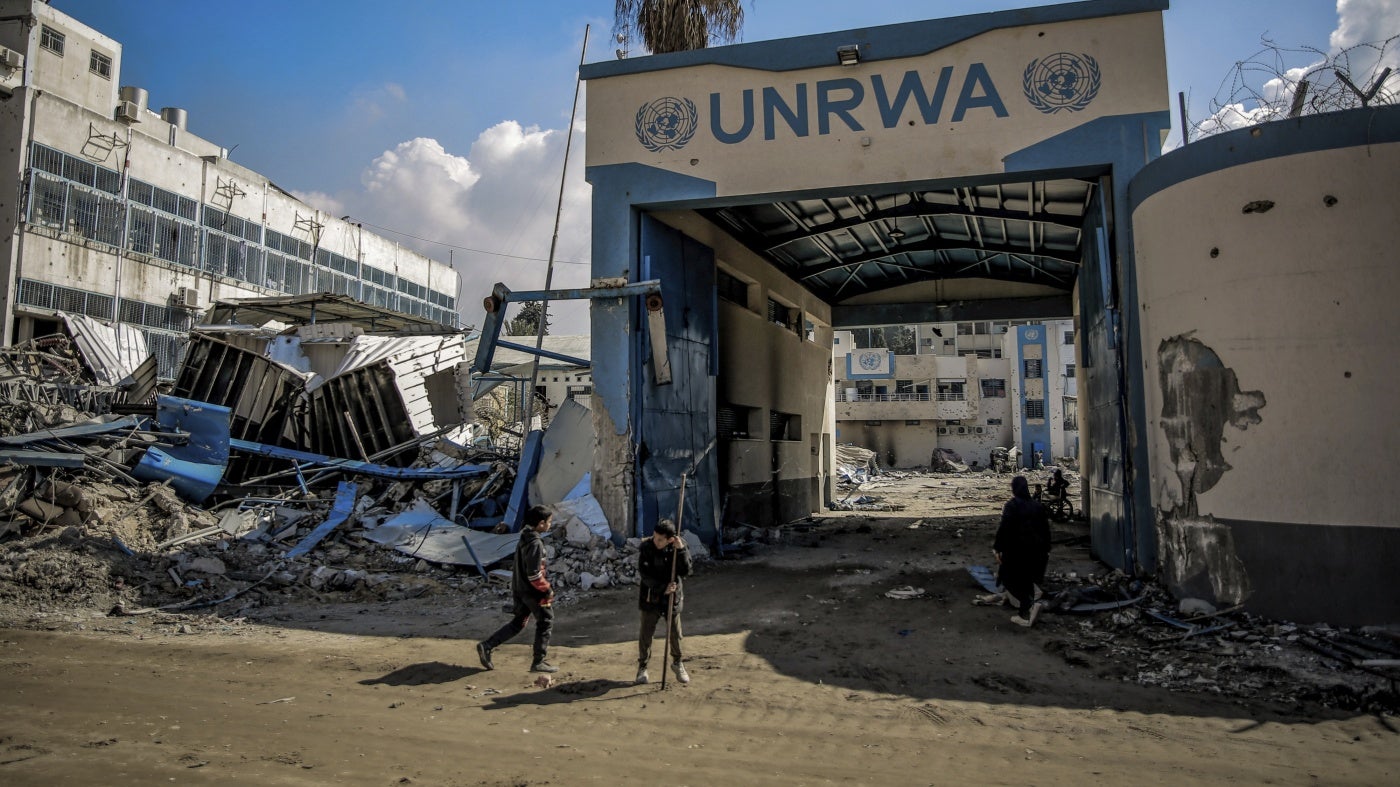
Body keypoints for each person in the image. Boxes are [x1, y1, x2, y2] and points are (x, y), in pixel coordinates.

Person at [477, 505, 558, 673]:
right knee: (546, 621)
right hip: (533, 592)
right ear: (541, 523)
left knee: (518, 622)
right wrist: (547, 590)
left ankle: (488, 645)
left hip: (520, 588)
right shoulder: (535, 543)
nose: (550, 525)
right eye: (549, 522)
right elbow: (534, 574)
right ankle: (538, 661)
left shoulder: (525, 537)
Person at [636, 518, 693, 685]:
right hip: (651, 596)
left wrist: (681, 551)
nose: (656, 541)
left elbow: (686, 571)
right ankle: (642, 666)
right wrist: (662, 588)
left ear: (670, 539)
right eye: (654, 537)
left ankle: (677, 662)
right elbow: (644, 574)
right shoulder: (647, 548)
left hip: (672, 597)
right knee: (646, 634)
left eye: (660, 539)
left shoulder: (678, 547)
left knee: (675, 633)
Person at [993, 476, 1051, 628]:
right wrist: (1046, 549)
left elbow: (1004, 528)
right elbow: (1046, 530)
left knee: (1009, 579)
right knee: (1027, 581)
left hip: (1016, 551)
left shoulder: (1012, 506)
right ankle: (1024, 614)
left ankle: (1030, 606)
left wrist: (998, 547)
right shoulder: (1037, 506)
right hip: (1037, 552)